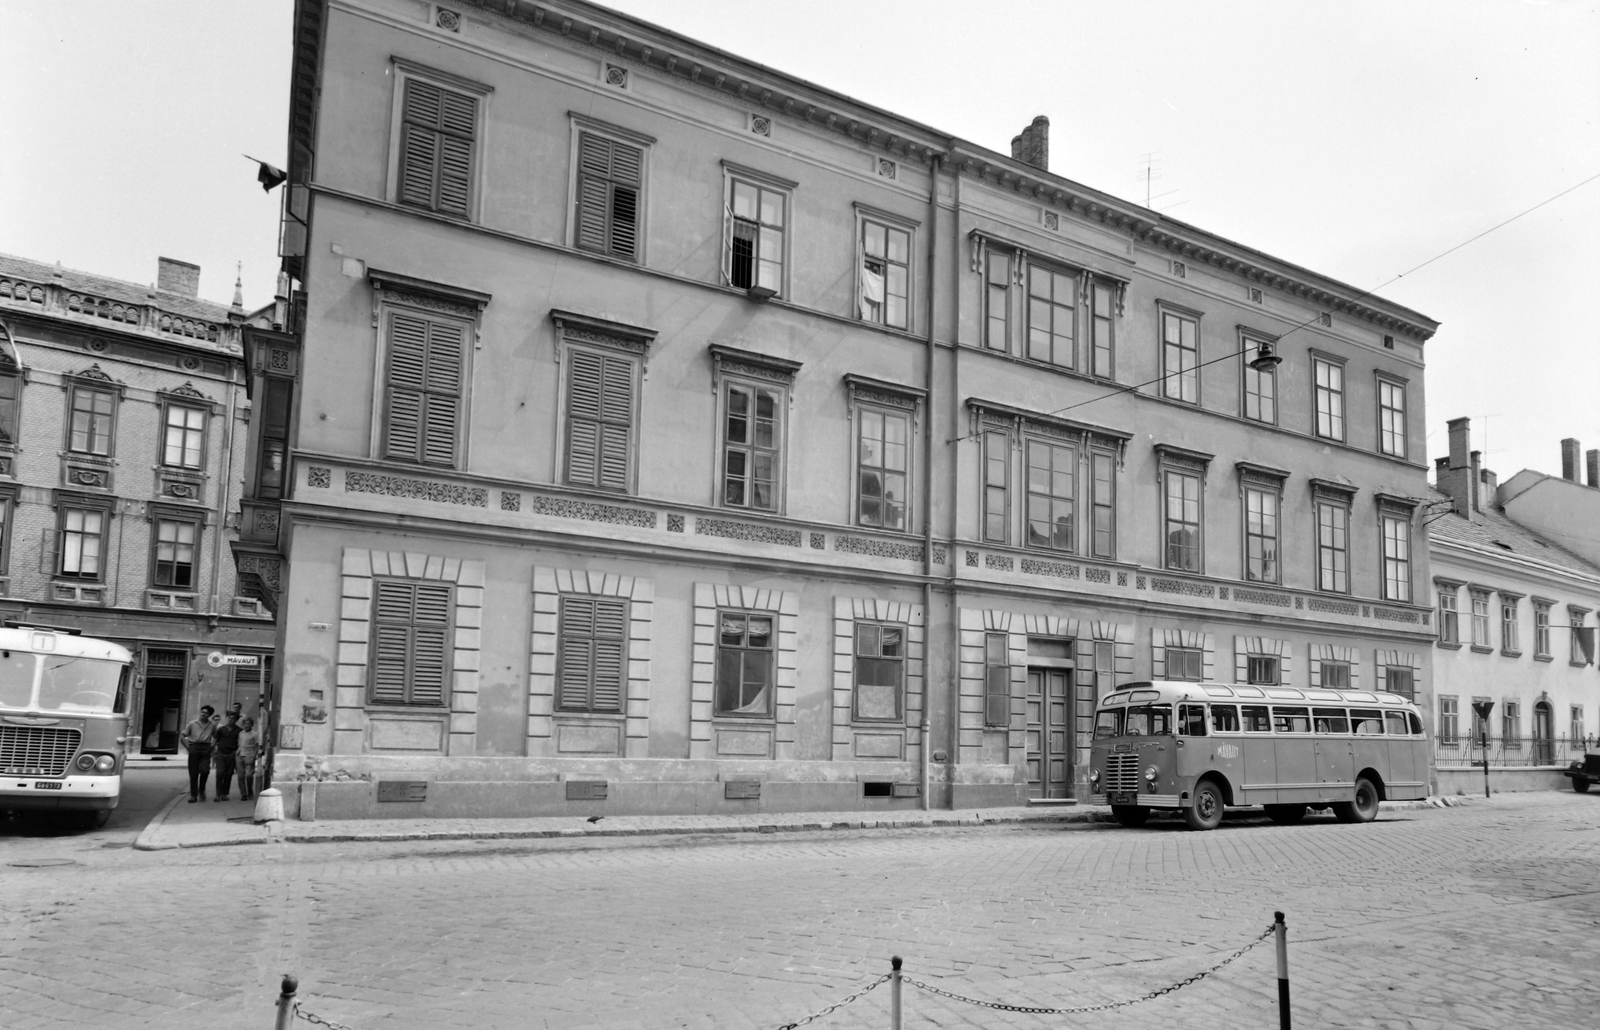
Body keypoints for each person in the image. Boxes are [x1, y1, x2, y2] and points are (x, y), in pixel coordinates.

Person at [180, 705, 217, 803]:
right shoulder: (192, 724)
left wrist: (211, 747)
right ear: (200, 712)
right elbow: (183, 736)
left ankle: (201, 790)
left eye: (206, 713)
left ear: (209, 715)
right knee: (193, 772)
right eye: (202, 712)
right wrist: (188, 747)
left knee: (205, 771)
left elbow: (216, 736)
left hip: (206, 748)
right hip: (194, 747)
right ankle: (193, 795)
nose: (204, 714)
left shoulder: (212, 725)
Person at [212, 711, 242, 801]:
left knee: (228, 774)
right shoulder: (221, 729)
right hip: (221, 753)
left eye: (233, 718)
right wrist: (211, 751)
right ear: (226, 718)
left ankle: (224, 794)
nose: (230, 720)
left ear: (236, 720)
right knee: (220, 773)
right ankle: (217, 794)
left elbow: (240, 742)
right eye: (229, 718)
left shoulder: (239, 730)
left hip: (232, 753)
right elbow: (215, 740)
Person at [236, 717, 261, 801]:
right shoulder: (240, 733)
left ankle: (249, 790)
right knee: (240, 776)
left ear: (252, 725)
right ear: (243, 725)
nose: (247, 725)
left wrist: (254, 755)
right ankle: (243, 794)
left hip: (249, 755)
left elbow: (257, 746)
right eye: (245, 723)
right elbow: (239, 743)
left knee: (249, 775)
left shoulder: (255, 734)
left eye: (249, 723)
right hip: (240, 755)